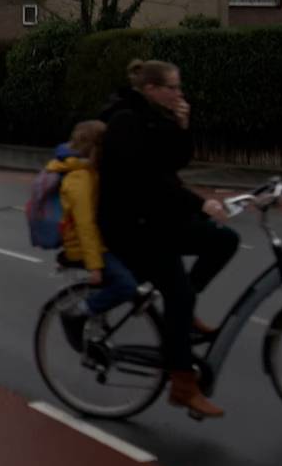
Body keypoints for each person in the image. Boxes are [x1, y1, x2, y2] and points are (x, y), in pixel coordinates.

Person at [98, 59, 240, 419]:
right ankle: (182, 386)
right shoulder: (126, 121)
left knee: (224, 240)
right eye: (173, 87)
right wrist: (200, 203)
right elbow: (148, 179)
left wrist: (182, 126)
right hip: (130, 227)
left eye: (179, 87)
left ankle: (187, 308)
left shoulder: (156, 117)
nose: (179, 93)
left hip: (156, 220)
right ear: (151, 90)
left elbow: (175, 163)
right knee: (176, 293)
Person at [52, 121, 138, 349]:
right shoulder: (79, 179)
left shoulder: (89, 172)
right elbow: (85, 225)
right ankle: (78, 314)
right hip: (82, 248)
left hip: (95, 243)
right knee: (126, 285)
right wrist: (94, 266)